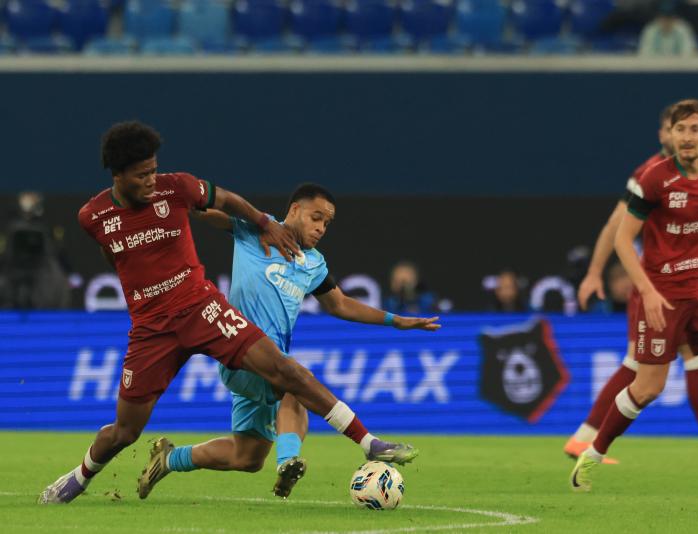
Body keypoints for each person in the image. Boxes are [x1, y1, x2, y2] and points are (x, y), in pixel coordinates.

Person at [39, 121, 419, 505]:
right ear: (118, 175)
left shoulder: (177, 187)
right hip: (151, 329)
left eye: (154, 170)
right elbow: (114, 252)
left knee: (284, 377)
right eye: (142, 175)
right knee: (125, 432)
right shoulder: (92, 216)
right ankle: (78, 477)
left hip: (202, 308)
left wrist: (264, 223)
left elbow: (226, 200)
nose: (152, 180)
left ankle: (367, 442)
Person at [139, 183, 439, 500]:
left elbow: (340, 304)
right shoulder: (259, 229)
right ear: (295, 210)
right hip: (239, 353)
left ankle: (169, 459)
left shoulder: (314, 263)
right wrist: (177, 203)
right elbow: (212, 215)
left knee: (247, 456)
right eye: (316, 218)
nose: (321, 228)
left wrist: (396, 320)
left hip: (272, 362)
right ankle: (315, 456)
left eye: (327, 223)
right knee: (294, 384)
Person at [570, 99, 698, 495]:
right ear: (669, 134)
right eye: (680, 129)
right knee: (648, 387)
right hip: (664, 296)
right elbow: (622, 238)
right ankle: (593, 453)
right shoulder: (653, 178)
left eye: (694, 129)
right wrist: (647, 291)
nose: (687, 137)